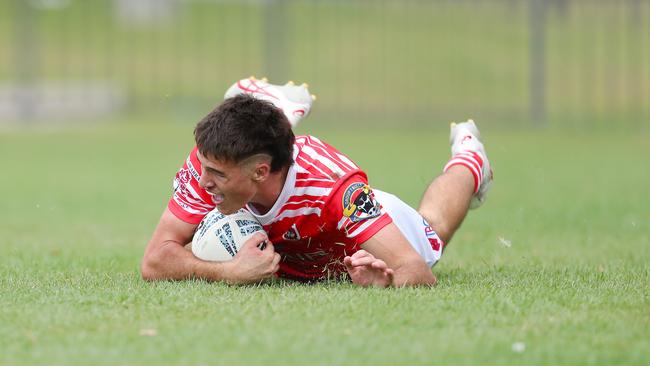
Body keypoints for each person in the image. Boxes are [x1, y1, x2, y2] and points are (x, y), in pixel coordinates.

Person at [141, 77, 493, 287]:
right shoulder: (211, 156)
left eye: (216, 175)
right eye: (203, 168)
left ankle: (470, 160)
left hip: (365, 226)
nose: (203, 182)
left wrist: (388, 281)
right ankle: (274, 108)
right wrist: (227, 272)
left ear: (260, 172)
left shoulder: (336, 190)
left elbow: (414, 270)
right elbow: (154, 261)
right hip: (293, 232)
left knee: (433, 228)